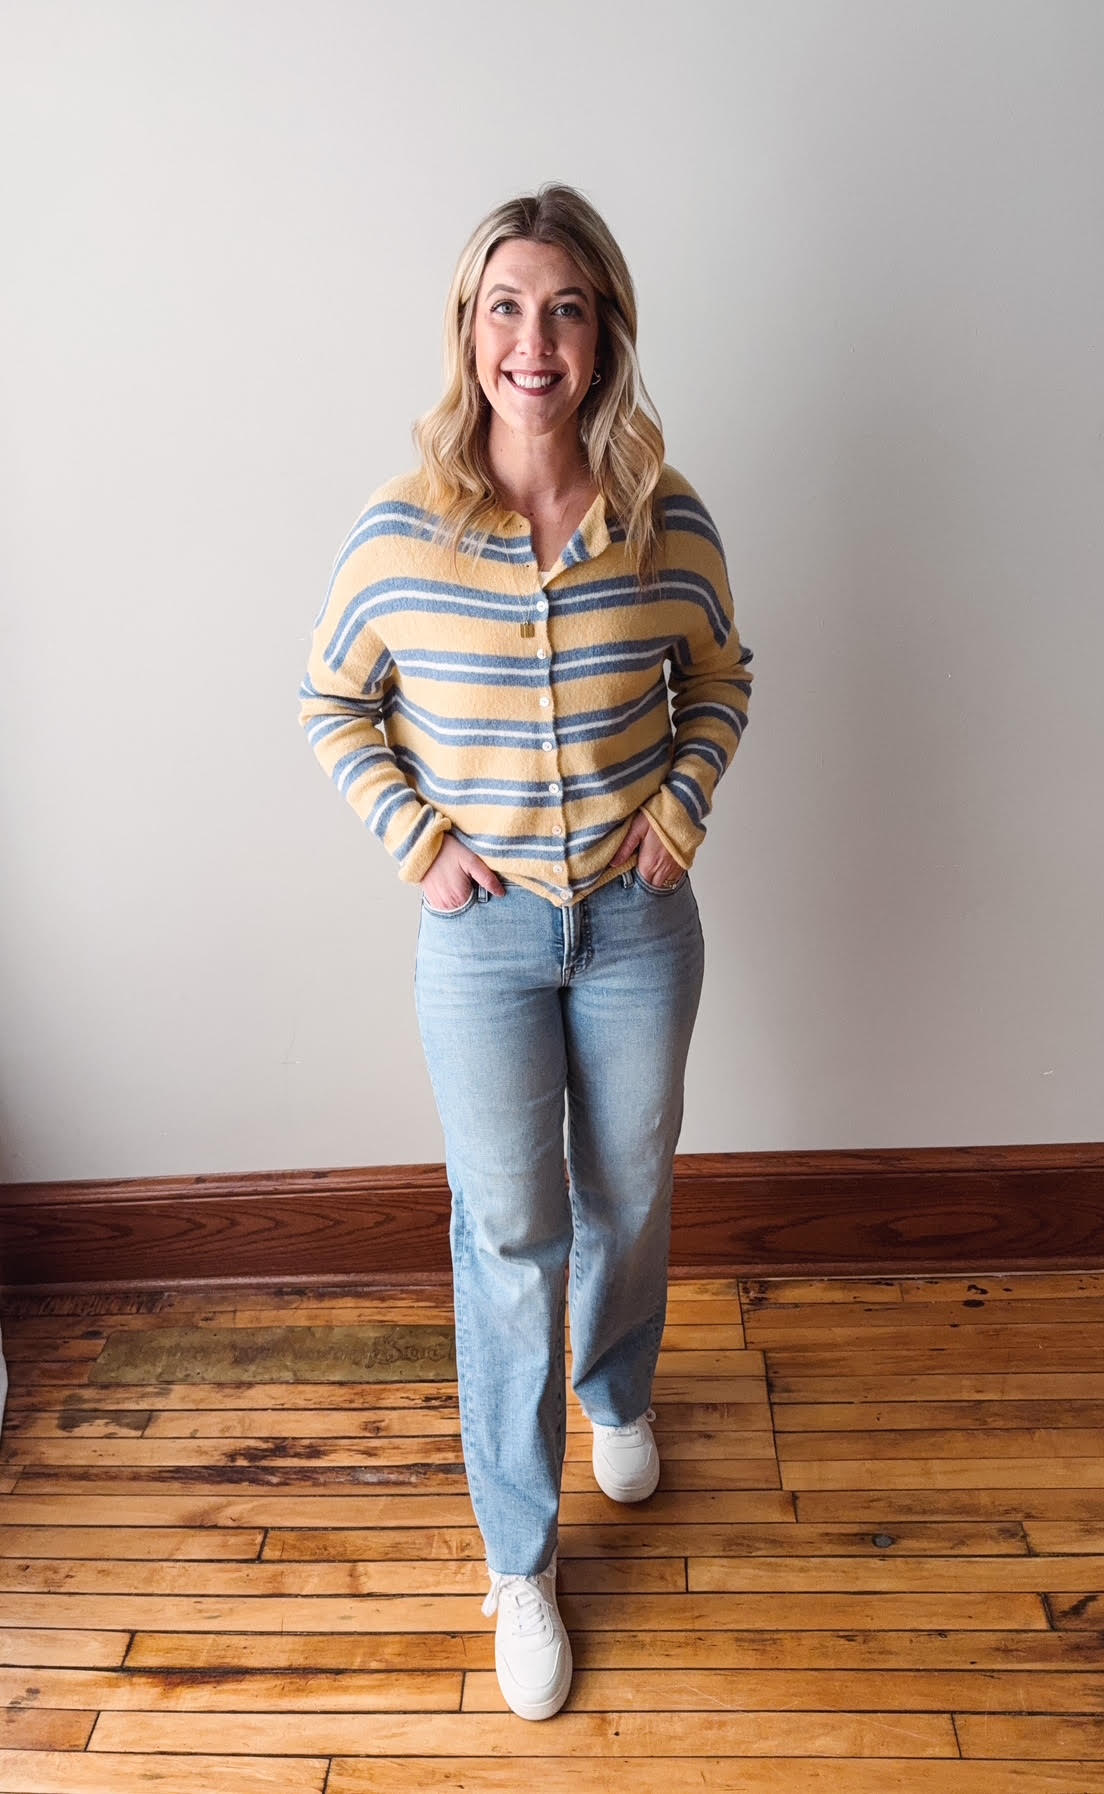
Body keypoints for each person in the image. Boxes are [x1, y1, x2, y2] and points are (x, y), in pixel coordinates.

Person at [299, 183, 753, 1720]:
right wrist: (420, 845)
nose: (532, 339)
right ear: (468, 332)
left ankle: (617, 1388)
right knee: (508, 1236)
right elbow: (332, 701)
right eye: (505, 306)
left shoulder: (662, 514)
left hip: (634, 925)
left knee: (629, 1185)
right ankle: (519, 1554)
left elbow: (722, 681)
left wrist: (682, 808)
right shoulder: (402, 526)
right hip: (482, 941)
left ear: (604, 329)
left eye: (563, 307)